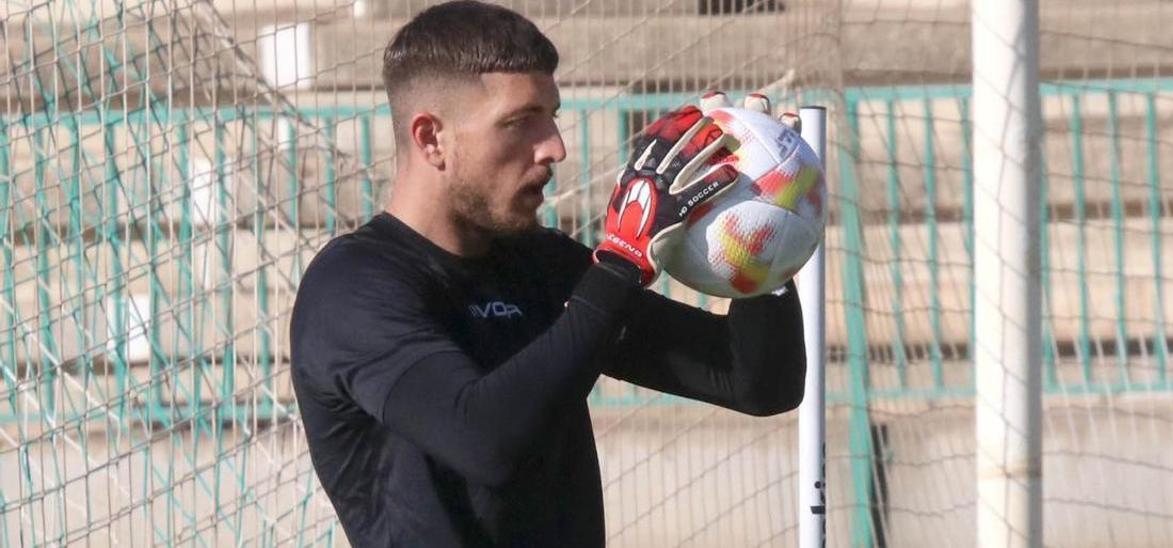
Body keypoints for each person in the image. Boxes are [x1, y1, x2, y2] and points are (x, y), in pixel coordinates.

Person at [288, 1, 807, 546]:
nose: (554, 147)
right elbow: (486, 442)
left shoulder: (539, 264)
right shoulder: (352, 287)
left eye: (551, 115)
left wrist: (763, 236)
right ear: (430, 138)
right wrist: (622, 263)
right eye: (519, 122)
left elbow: (755, 382)